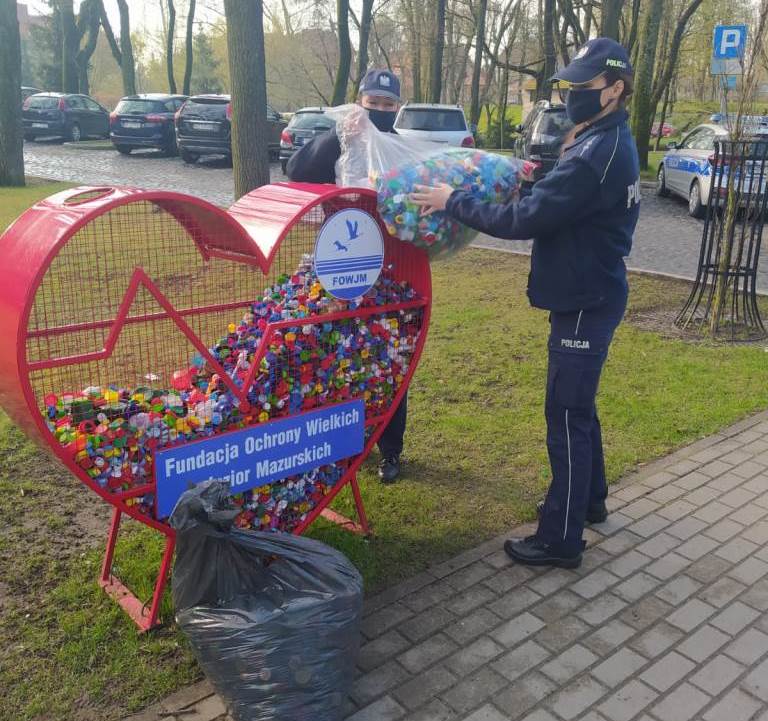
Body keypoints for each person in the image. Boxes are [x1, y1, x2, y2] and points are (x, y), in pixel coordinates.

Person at [410, 38, 640, 569]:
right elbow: (563, 192)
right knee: (579, 407)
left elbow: (523, 221)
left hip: (585, 299)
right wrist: (530, 176)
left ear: (614, 90)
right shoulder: (603, 140)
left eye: (583, 87)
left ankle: (561, 538)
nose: (573, 95)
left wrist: (454, 202)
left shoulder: (598, 153)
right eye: (571, 86)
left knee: (565, 413)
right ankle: (592, 502)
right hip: (592, 288)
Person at [286, 68, 408, 484]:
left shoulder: (398, 150)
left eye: (388, 105)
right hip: (341, 270)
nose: (379, 111)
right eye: (372, 103)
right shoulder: (341, 144)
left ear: (398, 108)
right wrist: (339, 135)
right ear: (360, 102)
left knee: (390, 361)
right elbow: (296, 169)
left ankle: (390, 449)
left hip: (390, 273)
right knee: (340, 356)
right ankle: (343, 442)